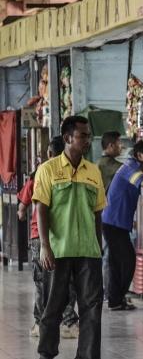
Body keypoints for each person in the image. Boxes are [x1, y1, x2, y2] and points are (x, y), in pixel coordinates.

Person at [32, 116, 109, 359]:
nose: (88, 140)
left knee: (91, 306)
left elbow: (98, 213)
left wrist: (98, 248)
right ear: (67, 138)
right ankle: (46, 353)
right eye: (83, 136)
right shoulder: (49, 170)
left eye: (88, 135)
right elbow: (41, 209)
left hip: (88, 251)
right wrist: (45, 246)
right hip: (58, 250)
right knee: (53, 304)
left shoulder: (93, 171)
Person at [17, 136, 80, 339]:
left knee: (43, 282)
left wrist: (25, 211)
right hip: (59, 236)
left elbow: (21, 208)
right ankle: (66, 323)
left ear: (49, 154)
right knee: (65, 280)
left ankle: (41, 323)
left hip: (41, 237)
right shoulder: (67, 173)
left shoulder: (38, 174)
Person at [101, 139, 143, 311]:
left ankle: (116, 300)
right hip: (113, 222)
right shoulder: (131, 167)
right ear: (139, 155)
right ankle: (115, 299)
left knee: (118, 261)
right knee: (126, 261)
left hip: (116, 222)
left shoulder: (131, 166)